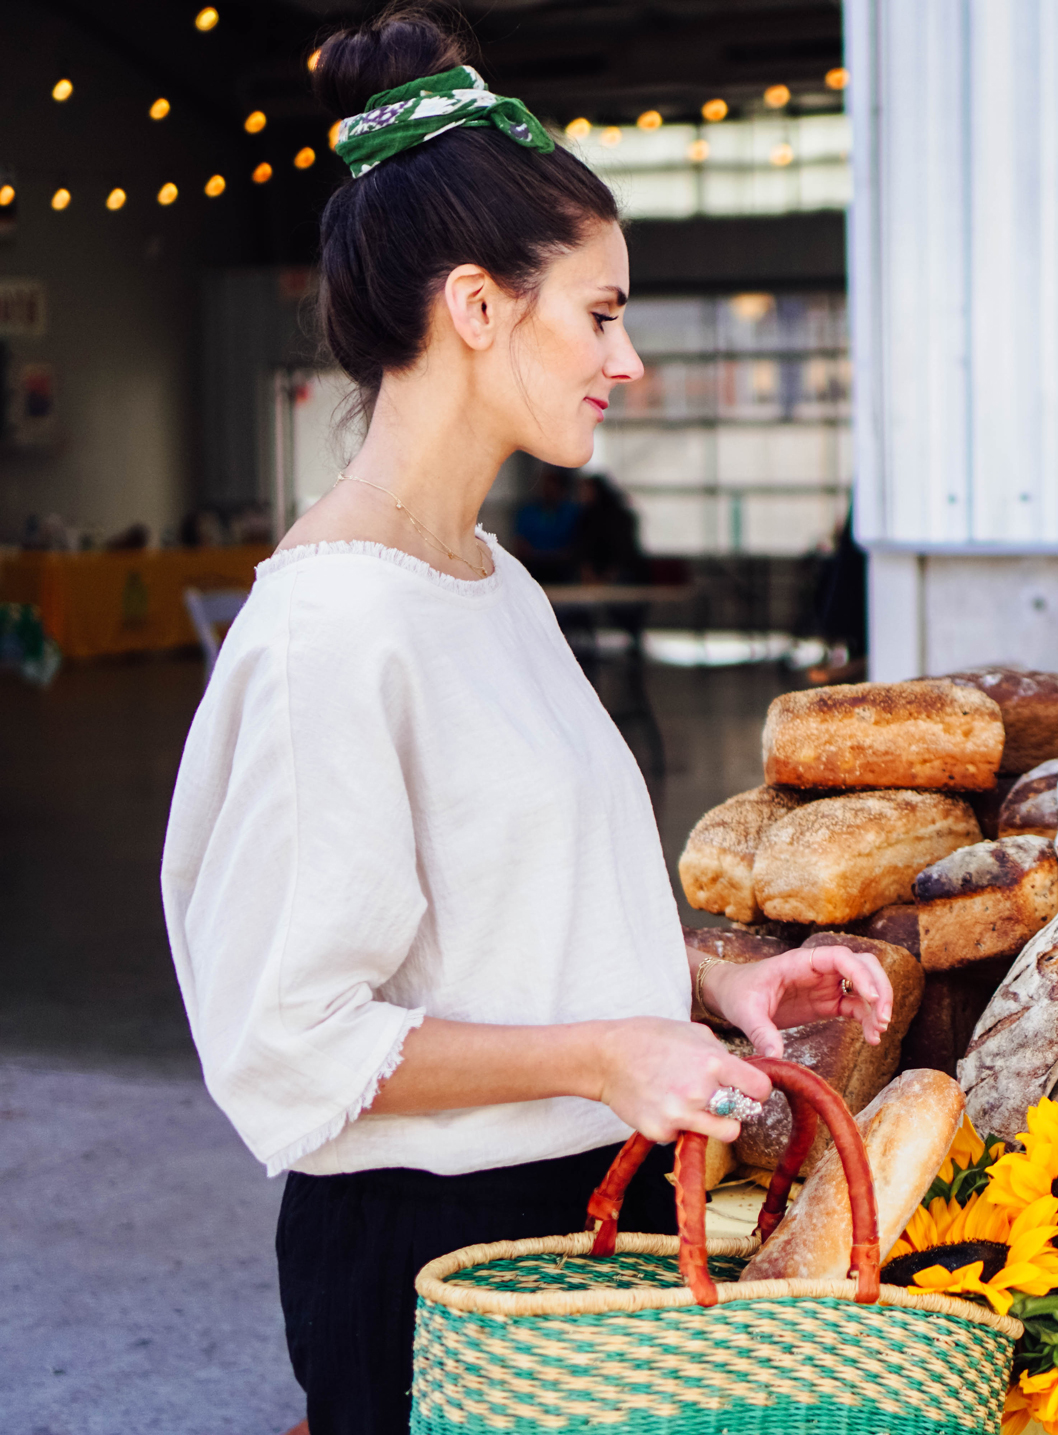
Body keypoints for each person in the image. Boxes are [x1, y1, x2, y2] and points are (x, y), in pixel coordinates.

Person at [157, 8, 892, 1433]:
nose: (628, 363)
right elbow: (296, 1035)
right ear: (478, 306)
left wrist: (707, 987)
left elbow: (500, 905)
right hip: (430, 1255)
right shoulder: (331, 631)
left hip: (569, 1217)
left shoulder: (491, 582)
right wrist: (604, 1053)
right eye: (602, 312)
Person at [512, 462, 583, 582]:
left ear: (562, 489)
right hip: (533, 569)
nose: (548, 490)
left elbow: (577, 547)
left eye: (553, 486)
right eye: (545, 486)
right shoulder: (528, 511)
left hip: (565, 570)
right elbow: (520, 546)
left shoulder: (572, 512)